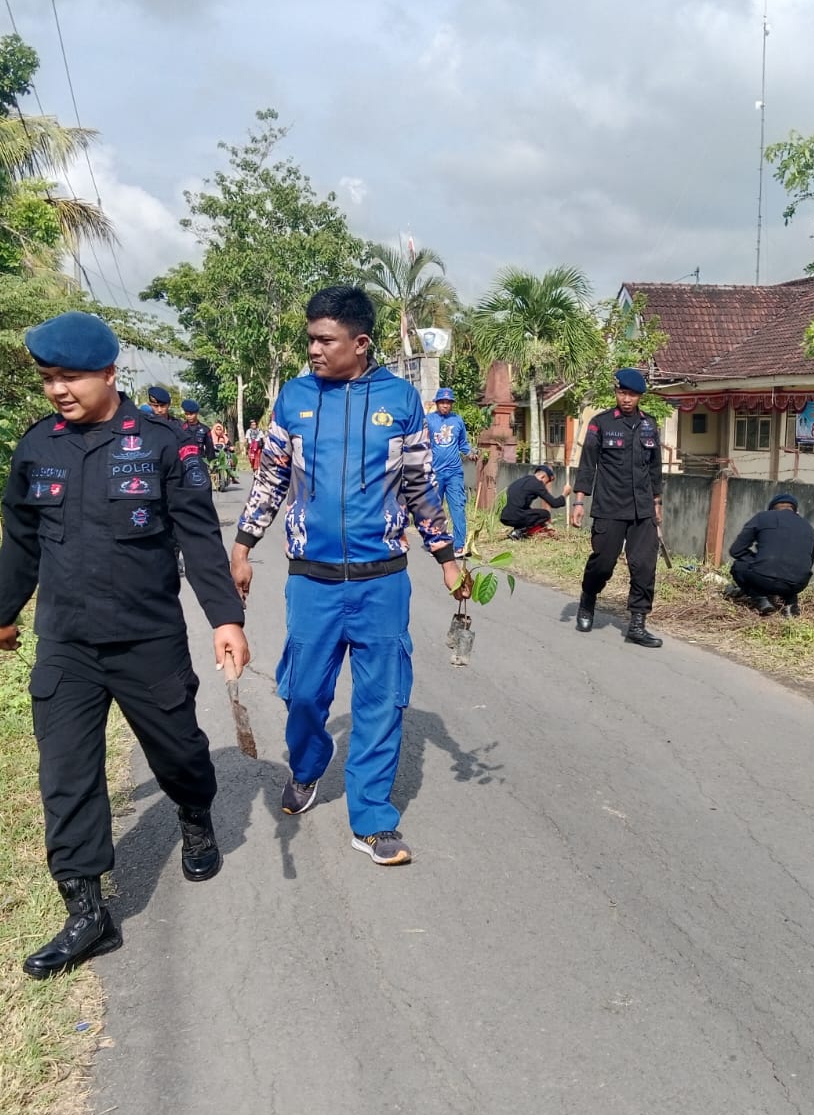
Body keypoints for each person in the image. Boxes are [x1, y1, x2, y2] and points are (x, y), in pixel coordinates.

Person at [0, 310, 249, 979]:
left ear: (108, 373)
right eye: (48, 378)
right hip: (66, 643)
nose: (57, 390)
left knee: (179, 750)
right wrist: (1, 612)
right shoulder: (37, 447)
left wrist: (225, 618)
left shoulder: (163, 443)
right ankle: (87, 912)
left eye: (70, 377)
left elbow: (198, 537)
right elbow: (21, 539)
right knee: (66, 775)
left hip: (146, 639)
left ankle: (195, 813)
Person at [232, 286, 466, 866]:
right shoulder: (294, 398)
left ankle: (373, 817)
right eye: (310, 339)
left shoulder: (401, 400)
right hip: (311, 580)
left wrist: (447, 557)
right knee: (304, 692)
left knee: (382, 700)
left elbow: (419, 485)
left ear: (360, 343)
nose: (313, 349)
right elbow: (271, 478)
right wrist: (243, 546)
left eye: (325, 340)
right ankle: (308, 767)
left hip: (381, 580)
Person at [570, 367, 664, 648]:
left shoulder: (650, 425)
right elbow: (587, 464)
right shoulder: (600, 424)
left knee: (644, 565)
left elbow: (655, 468)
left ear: (640, 397)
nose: (627, 399)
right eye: (622, 393)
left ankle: (637, 623)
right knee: (603, 563)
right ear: (616, 393)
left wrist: (657, 503)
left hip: (642, 509)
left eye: (632, 395)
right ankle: (588, 598)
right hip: (609, 506)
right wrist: (579, 501)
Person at [727, 493, 814, 617]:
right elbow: (809, 562)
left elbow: (736, 550)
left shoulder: (763, 517)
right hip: (798, 584)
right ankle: (791, 603)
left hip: (763, 578)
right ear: (795, 510)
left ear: (771, 509)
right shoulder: (809, 528)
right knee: (792, 573)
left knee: (739, 567)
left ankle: (760, 599)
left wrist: (757, 561)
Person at [424, 386, 472, 555]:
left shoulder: (457, 420)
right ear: (437, 403)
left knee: (458, 507)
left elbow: (463, 443)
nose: (445, 405)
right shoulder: (428, 420)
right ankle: (435, 541)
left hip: (454, 473)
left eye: (448, 402)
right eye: (442, 402)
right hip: (435, 472)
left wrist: (470, 452)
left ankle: (459, 545)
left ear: (452, 404)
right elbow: (421, 442)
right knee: (434, 509)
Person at [500, 463, 569, 539]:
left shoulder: (521, 481)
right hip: (517, 516)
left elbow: (520, 505)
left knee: (530, 512)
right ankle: (519, 531)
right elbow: (555, 503)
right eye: (546, 482)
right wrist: (565, 493)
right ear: (543, 477)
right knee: (545, 514)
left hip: (505, 516)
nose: (544, 485)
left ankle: (517, 532)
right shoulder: (537, 483)